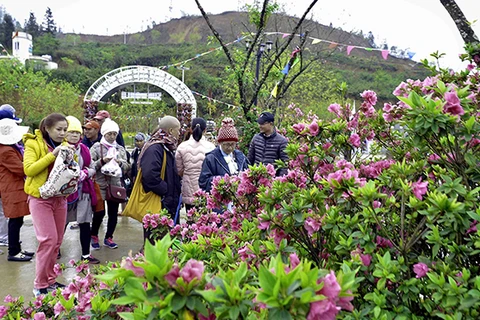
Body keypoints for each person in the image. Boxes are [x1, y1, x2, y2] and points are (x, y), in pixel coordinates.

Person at [23, 113, 72, 297]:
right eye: (58, 129)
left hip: (60, 198)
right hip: (39, 198)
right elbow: (29, 169)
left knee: (57, 242)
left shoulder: (65, 145)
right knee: (48, 240)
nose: (62, 133)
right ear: (47, 129)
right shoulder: (33, 144)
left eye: (65, 130)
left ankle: (50, 280)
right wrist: (52, 155)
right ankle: (39, 284)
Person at [90, 118, 130, 249]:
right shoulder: (96, 147)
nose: (112, 137)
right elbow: (90, 166)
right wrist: (102, 161)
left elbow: (127, 166)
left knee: (113, 213)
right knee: (99, 213)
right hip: (100, 184)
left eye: (114, 134)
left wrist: (119, 163)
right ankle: (94, 235)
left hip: (115, 184)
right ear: (103, 134)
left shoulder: (119, 149)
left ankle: (109, 237)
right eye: (109, 134)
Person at [64, 116, 100, 264]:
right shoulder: (60, 149)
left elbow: (92, 167)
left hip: (83, 190)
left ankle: (85, 254)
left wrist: (85, 173)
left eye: (77, 132)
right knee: (62, 223)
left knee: (85, 223)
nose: (74, 135)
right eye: (71, 132)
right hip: (64, 193)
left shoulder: (84, 149)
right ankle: (55, 250)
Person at [138, 116, 181, 229]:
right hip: (159, 202)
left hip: (167, 201)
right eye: (178, 130)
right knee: (157, 240)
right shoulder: (155, 148)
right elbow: (150, 176)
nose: (180, 133)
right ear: (171, 130)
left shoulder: (166, 147)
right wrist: (166, 190)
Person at [0, 118, 32, 262]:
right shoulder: (6, 150)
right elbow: (20, 169)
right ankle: (13, 251)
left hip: (14, 187)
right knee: (15, 220)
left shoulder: (9, 148)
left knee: (17, 219)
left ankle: (16, 248)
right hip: (12, 188)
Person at [199, 118, 248, 192]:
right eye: (227, 144)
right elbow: (203, 182)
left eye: (233, 144)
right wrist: (224, 180)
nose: (230, 147)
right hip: (219, 199)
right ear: (220, 143)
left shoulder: (240, 156)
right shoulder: (211, 158)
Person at [176, 118, 215, 211]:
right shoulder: (211, 147)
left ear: (190, 129)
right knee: (206, 220)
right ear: (205, 130)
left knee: (191, 219)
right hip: (206, 189)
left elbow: (179, 170)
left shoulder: (182, 147)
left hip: (188, 189)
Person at [247, 111, 288, 176]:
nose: (260, 126)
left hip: (272, 180)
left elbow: (284, 165)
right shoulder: (256, 138)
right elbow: (249, 159)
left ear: (271, 124)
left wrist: (279, 180)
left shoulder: (282, 141)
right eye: (259, 123)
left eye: (262, 124)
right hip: (256, 179)